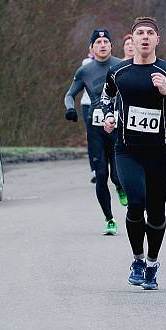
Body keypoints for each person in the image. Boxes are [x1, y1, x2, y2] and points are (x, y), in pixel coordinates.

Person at [101, 17, 166, 290]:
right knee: (136, 202)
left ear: (157, 40)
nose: (144, 37)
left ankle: (152, 263)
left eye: (149, 33)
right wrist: (108, 117)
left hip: (158, 154)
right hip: (126, 150)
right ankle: (137, 260)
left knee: (156, 213)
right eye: (139, 33)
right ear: (131, 39)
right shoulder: (118, 72)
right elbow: (105, 98)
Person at [64, 29, 127, 235]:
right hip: (95, 127)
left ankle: (119, 185)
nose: (102, 45)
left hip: (117, 126)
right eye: (98, 42)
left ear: (111, 45)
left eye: (106, 41)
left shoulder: (121, 66)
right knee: (101, 174)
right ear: (91, 48)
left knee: (117, 175)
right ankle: (109, 219)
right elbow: (70, 94)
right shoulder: (85, 71)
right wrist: (70, 109)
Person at [80, 53, 95, 182]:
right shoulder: (86, 63)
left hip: (105, 104)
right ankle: (94, 169)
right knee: (92, 136)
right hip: (88, 104)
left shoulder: (113, 63)